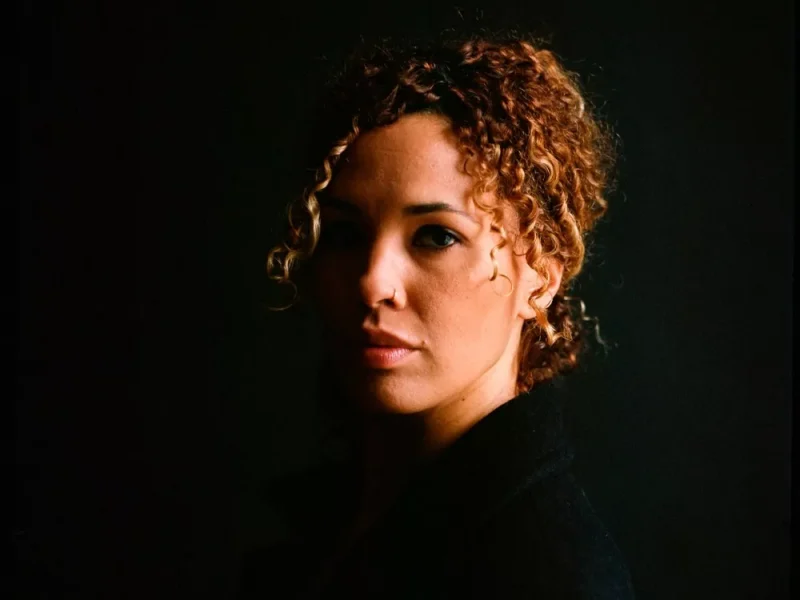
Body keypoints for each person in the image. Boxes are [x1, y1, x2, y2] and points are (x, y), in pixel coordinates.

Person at [240, 32, 634, 599]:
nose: (373, 281)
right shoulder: (328, 520)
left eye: (436, 236)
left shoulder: (546, 573)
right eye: (345, 233)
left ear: (541, 278)